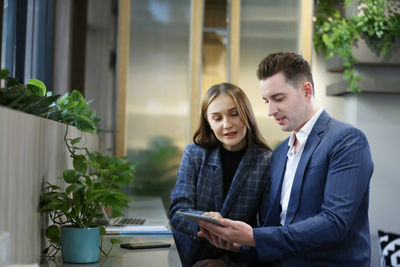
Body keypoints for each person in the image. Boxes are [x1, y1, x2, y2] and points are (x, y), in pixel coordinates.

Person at [198, 52, 374, 266]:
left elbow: (334, 223)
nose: (271, 111)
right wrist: (239, 246)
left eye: (278, 99)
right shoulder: (280, 152)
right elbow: (276, 226)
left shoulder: (346, 140)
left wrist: (254, 237)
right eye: (267, 101)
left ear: (306, 91)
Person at [168, 82, 272, 267]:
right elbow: (177, 212)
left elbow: (266, 231)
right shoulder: (194, 154)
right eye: (217, 118)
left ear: (246, 114)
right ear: (208, 122)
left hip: (235, 261)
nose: (227, 125)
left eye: (235, 114)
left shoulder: (266, 161)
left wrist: (226, 263)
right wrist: (204, 219)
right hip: (186, 258)